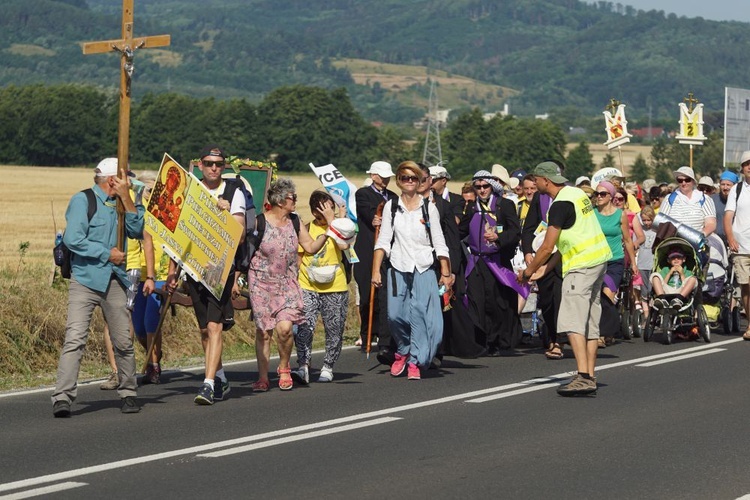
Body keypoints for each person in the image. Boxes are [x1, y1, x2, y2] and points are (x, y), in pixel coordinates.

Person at [51, 157, 145, 417]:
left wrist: (127, 199)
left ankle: (128, 392)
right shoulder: (83, 201)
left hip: (115, 280)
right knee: (75, 339)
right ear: (112, 180)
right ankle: (62, 398)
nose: (131, 184)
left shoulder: (125, 202)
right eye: (125, 180)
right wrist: (107, 253)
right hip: (85, 279)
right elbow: (73, 239)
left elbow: (138, 230)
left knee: (123, 340)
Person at [519, 161, 612, 396]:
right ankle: (589, 373)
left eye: (537, 180)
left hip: (580, 265)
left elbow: (547, 245)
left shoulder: (558, 205)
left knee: (572, 321)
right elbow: (568, 240)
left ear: (546, 181)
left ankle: (582, 377)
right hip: (598, 260)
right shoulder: (577, 194)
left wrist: (528, 272)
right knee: (590, 321)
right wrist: (547, 269)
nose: (534, 184)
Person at [165, 145, 245, 405]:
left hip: (220, 270)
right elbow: (178, 233)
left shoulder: (234, 193)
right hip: (193, 270)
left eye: (219, 164)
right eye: (209, 163)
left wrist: (223, 216)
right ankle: (219, 375)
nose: (214, 168)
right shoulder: (191, 192)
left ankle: (208, 384)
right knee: (203, 330)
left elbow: (240, 234)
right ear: (199, 165)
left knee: (214, 326)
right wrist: (171, 271)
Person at [247, 179, 333, 391]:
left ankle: (284, 367)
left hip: (287, 285)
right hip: (261, 284)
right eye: (292, 197)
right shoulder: (259, 222)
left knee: (285, 329)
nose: (295, 200)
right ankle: (263, 377)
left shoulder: (295, 221)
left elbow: (310, 247)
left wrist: (328, 231)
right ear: (279, 200)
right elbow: (246, 253)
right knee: (264, 332)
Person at [371, 161, 452, 380]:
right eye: (405, 178)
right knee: (395, 315)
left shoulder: (429, 207)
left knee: (420, 313)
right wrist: (376, 270)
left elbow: (439, 241)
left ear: (419, 182)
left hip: (424, 266)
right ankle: (404, 349)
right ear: (398, 180)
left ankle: (416, 360)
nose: (409, 182)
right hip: (398, 265)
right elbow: (384, 240)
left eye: (414, 178)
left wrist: (445, 272)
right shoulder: (391, 206)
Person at [460, 169, 522, 355]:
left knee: (497, 302)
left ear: (491, 186)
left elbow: (515, 232)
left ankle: (499, 340)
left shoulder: (505, 205)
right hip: (477, 262)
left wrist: (498, 237)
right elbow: (460, 230)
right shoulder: (471, 207)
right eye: (477, 187)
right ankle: (483, 340)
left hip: (497, 261)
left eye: (485, 186)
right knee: (477, 301)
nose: (482, 190)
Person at [292, 190, 351, 384]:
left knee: (334, 328)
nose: (328, 211)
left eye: (331, 207)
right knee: (304, 327)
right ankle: (303, 365)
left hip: (335, 285)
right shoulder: (307, 228)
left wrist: (336, 221)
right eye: (325, 208)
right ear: (315, 210)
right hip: (308, 284)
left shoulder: (342, 226)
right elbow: (299, 258)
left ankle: (328, 365)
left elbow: (344, 246)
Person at [353, 161, 398, 363]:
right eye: (381, 176)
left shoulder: (394, 197)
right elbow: (367, 213)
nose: (385, 179)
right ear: (373, 176)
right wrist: (375, 218)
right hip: (367, 251)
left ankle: (384, 336)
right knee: (366, 296)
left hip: (388, 251)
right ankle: (366, 335)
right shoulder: (363, 194)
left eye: (387, 176)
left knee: (385, 296)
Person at [132, 171, 170, 384]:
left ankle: (153, 364)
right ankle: (154, 354)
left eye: (151, 190)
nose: (148, 194)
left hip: (160, 273)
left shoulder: (165, 212)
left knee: (150, 321)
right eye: (145, 190)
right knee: (138, 327)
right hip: (139, 272)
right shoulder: (137, 211)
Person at [593, 181, 638, 346]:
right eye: (596, 194)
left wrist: (633, 263)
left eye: (602, 194)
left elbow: (627, 240)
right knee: (596, 298)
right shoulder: (591, 213)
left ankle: (602, 334)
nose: (598, 197)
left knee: (607, 295)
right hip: (596, 261)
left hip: (614, 262)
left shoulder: (620, 215)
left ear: (611, 196)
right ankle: (604, 330)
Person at [725, 151, 750, 339]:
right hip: (741, 246)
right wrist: (730, 237)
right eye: (746, 164)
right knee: (746, 287)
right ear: (742, 169)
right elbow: (728, 216)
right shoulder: (737, 189)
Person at [659, 166, 716, 236]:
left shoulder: (704, 199)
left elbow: (711, 223)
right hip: (673, 240)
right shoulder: (669, 199)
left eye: (687, 180)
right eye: (680, 180)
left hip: (697, 241)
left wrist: (701, 235)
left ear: (693, 181)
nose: (683, 183)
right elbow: (660, 221)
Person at [635, 206, 657, 316]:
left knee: (652, 289)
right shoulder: (639, 230)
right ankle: (646, 314)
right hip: (642, 263)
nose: (646, 222)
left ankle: (653, 313)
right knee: (643, 290)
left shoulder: (656, 230)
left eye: (649, 220)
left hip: (653, 263)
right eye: (644, 220)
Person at [712, 170, 739, 243]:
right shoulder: (712, 200)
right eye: (723, 184)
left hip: (735, 241)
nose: (725, 187)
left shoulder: (740, 201)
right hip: (716, 241)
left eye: (728, 185)